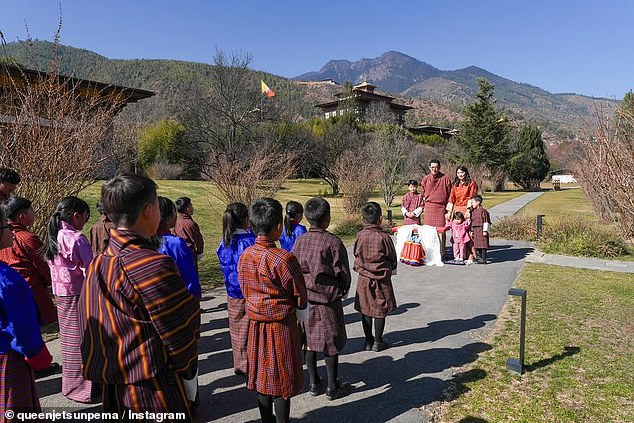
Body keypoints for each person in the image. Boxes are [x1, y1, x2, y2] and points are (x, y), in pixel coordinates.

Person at [78, 174, 201, 419]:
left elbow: (87, 324)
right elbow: (180, 331)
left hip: (114, 385)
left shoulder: (99, 262)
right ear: (148, 210)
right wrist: (188, 374)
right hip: (151, 389)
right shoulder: (152, 265)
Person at [238, 198, 307, 423]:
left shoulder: (245, 256)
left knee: (262, 377)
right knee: (282, 378)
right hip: (281, 326)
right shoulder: (284, 260)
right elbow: (300, 296)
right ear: (278, 226)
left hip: (256, 325)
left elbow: (243, 287)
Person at [291, 197, 352, 400]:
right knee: (330, 342)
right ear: (327, 219)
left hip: (305, 300)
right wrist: (342, 290)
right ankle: (332, 385)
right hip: (327, 299)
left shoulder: (299, 241)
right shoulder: (333, 242)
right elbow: (342, 271)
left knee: (309, 341)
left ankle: (314, 382)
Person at [0, 206, 53, 413]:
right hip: (8, 358)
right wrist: (37, 355)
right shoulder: (8, 280)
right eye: (6, 226)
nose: (10, 231)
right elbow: (23, 329)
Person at [44, 196, 95, 403]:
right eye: (85, 216)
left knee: (69, 342)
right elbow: (91, 270)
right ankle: (84, 387)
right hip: (78, 294)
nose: (85, 220)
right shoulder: (76, 238)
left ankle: (71, 384)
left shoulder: (55, 235)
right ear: (76, 216)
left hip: (61, 295)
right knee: (83, 341)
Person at [0, 197, 58, 325]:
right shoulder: (27, 238)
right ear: (22, 216)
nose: (34, 213)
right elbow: (43, 264)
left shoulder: (4, 236)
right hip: (31, 291)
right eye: (31, 210)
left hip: (8, 289)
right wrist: (50, 282)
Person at [216, 202, 255, 376]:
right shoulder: (250, 241)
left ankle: (239, 363)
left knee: (236, 329)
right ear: (246, 219)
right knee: (250, 330)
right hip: (249, 292)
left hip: (232, 292)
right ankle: (250, 363)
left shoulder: (224, 241)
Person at [353, 201, 398, 352]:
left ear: (363, 219)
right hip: (381, 278)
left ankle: (367, 341)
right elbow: (392, 257)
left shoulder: (359, 236)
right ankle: (378, 342)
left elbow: (355, 253)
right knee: (380, 309)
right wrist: (391, 266)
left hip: (364, 278)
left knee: (365, 309)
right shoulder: (384, 237)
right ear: (380, 218)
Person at [156, 196, 201, 299]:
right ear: (167, 217)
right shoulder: (174, 243)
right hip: (179, 300)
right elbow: (189, 279)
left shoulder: (142, 241)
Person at [420, 159, 452, 258]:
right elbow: (422, 194)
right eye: (432, 167)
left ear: (439, 167)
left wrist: (448, 210)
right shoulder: (425, 179)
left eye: (436, 167)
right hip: (429, 207)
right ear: (429, 168)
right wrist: (423, 207)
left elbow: (450, 195)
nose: (434, 169)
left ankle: (442, 253)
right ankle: (428, 253)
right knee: (428, 231)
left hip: (441, 207)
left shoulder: (445, 178)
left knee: (441, 231)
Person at [174, 197, 204, 273]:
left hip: (178, 253)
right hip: (189, 254)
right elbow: (197, 240)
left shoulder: (176, 222)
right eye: (191, 205)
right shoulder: (190, 224)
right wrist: (199, 252)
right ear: (187, 209)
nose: (192, 208)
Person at [469, 195, 492, 264]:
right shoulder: (473, 211)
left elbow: (486, 221)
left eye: (473, 202)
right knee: (477, 245)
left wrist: (485, 230)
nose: (472, 204)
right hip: (476, 230)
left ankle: (484, 259)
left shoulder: (483, 211)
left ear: (478, 202)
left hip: (481, 229)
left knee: (483, 245)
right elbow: (472, 221)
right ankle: (480, 258)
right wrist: (472, 230)